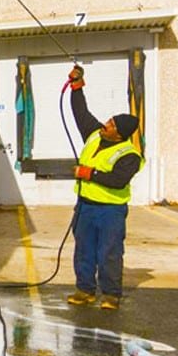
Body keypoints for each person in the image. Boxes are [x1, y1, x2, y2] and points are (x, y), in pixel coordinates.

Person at [65, 64, 144, 311]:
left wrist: (88, 173)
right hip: (85, 207)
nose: (105, 125)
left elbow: (118, 180)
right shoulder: (94, 134)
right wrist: (77, 85)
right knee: (83, 250)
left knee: (109, 252)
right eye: (108, 120)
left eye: (110, 125)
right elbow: (81, 112)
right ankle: (85, 289)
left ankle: (111, 294)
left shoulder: (129, 154)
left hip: (111, 210)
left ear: (119, 135)